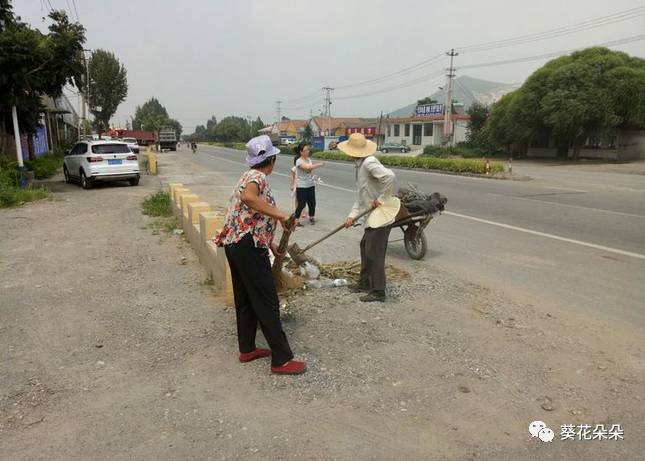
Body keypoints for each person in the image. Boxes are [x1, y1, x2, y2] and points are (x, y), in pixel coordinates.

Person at [214, 135, 306, 375]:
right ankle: (282, 359)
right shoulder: (257, 177)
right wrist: (281, 215)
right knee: (267, 301)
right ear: (272, 160)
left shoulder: (245, 176)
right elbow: (249, 199)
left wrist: (271, 243)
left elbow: (250, 218)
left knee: (245, 299)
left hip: (237, 245)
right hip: (248, 248)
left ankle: (247, 349)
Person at [339, 133, 396, 303]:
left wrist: (382, 199)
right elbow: (360, 197)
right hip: (370, 216)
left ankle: (378, 290)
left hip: (381, 216)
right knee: (365, 246)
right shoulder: (360, 165)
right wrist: (351, 217)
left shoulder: (369, 162)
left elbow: (390, 177)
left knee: (374, 252)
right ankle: (365, 282)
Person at [293, 142, 324, 225]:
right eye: (306, 150)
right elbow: (307, 167)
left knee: (312, 203)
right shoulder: (298, 161)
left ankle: (311, 217)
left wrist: (315, 178)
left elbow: (309, 171)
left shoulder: (309, 160)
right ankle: (295, 220)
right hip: (302, 186)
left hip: (310, 185)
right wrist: (319, 164)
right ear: (301, 152)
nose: (308, 151)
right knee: (301, 204)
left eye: (308, 149)